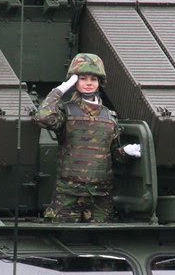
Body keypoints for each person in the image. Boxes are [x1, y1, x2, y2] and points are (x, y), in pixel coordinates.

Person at [34, 53, 140, 223]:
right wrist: (60, 89)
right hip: (68, 195)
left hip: (100, 196)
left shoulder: (109, 116)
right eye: (83, 78)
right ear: (75, 82)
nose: (89, 83)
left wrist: (126, 152)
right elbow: (43, 118)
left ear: (99, 83)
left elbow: (113, 157)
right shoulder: (65, 111)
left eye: (93, 79)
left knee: (99, 244)